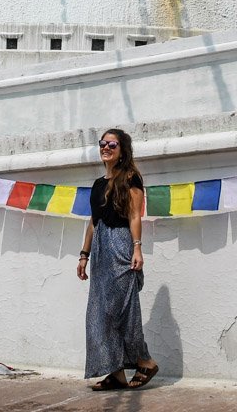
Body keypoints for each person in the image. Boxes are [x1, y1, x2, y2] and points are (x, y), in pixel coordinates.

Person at [76, 127, 160, 390]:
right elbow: (93, 222)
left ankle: (144, 361)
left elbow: (135, 215)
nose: (106, 148)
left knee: (122, 311)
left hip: (122, 244)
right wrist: (84, 255)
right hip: (101, 248)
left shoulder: (131, 178)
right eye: (102, 144)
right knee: (99, 313)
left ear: (122, 150)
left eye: (112, 144)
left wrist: (137, 247)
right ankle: (116, 372)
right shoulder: (98, 185)